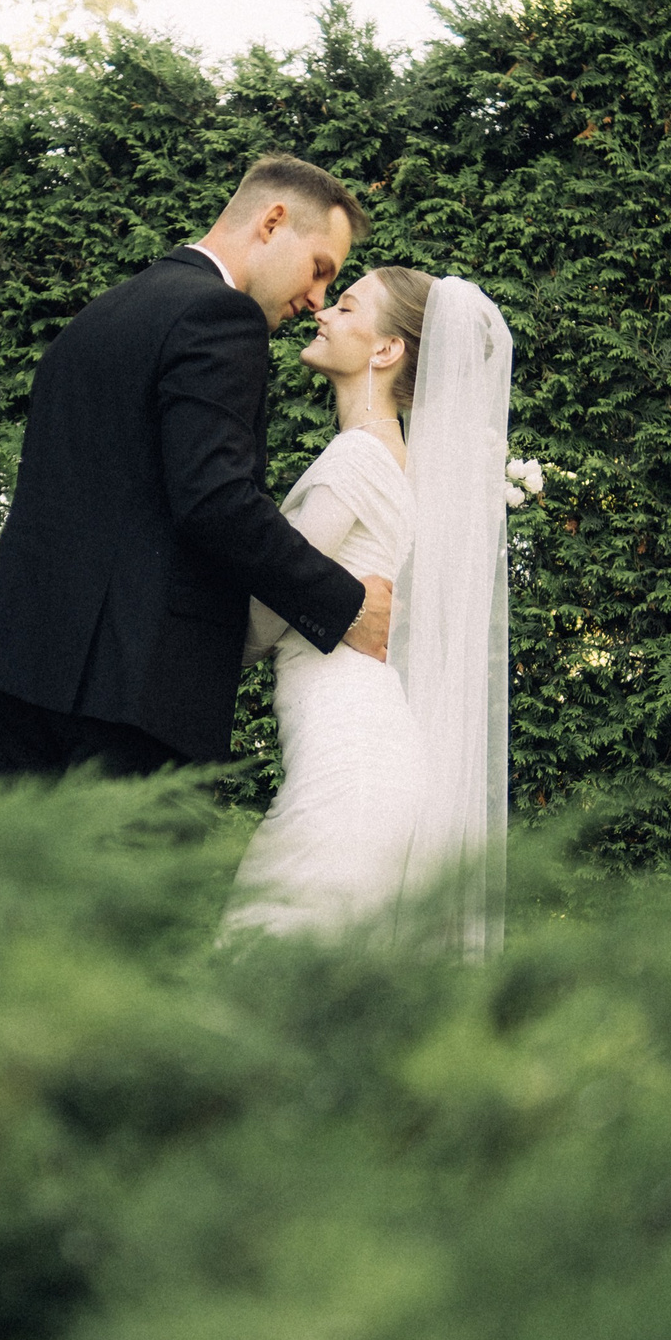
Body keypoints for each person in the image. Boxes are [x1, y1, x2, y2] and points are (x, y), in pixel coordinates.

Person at [0, 156, 394, 779]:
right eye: (320, 269)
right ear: (272, 222)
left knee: (25, 877)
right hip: (132, 696)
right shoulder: (221, 316)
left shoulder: (98, 316)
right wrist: (345, 604)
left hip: (24, 673)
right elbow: (216, 499)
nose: (317, 299)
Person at [225, 269, 515, 955]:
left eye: (347, 305)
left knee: (261, 961)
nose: (322, 312)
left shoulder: (359, 459)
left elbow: (259, 622)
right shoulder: (388, 455)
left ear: (386, 351)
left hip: (348, 767)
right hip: (365, 755)